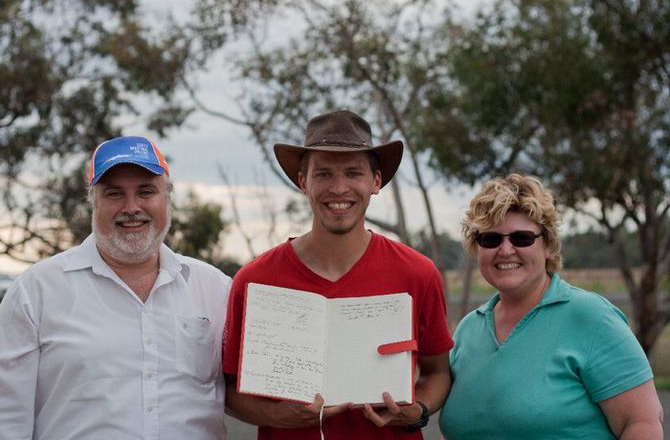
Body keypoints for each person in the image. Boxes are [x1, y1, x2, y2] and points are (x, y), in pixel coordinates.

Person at [223, 110, 453, 439]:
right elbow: (230, 390)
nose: (339, 188)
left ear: (375, 181)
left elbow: (437, 373)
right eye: (324, 174)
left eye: (353, 173)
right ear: (304, 182)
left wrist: (418, 411)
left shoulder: (417, 273)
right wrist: (278, 415)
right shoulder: (255, 280)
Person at [0, 136, 231, 439]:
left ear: (167, 198)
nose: (131, 207)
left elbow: (247, 393)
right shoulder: (36, 290)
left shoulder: (215, 288)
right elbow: (7, 416)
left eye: (146, 191)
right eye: (114, 194)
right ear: (92, 202)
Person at [439, 173, 664, 439]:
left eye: (522, 238)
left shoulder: (591, 317)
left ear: (547, 244)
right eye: (491, 239)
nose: (506, 250)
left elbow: (641, 423)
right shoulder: (468, 330)